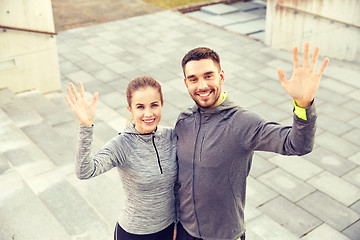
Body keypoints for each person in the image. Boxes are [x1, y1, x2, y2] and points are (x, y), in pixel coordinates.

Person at [175, 42, 329, 240]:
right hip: (184, 232)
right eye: (193, 79)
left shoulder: (242, 122)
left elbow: (297, 144)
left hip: (225, 236)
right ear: (186, 83)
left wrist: (304, 104)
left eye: (208, 76)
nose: (202, 85)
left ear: (221, 76)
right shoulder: (183, 121)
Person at [64, 76, 178, 240]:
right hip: (134, 234)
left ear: (162, 104)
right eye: (140, 107)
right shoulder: (122, 145)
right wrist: (86, 125)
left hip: (168, 230)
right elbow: (84, 172)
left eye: (154, 105)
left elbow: (179, 189)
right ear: (130, 109)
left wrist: (177, 223)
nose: (148, 113)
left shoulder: (171, 136)